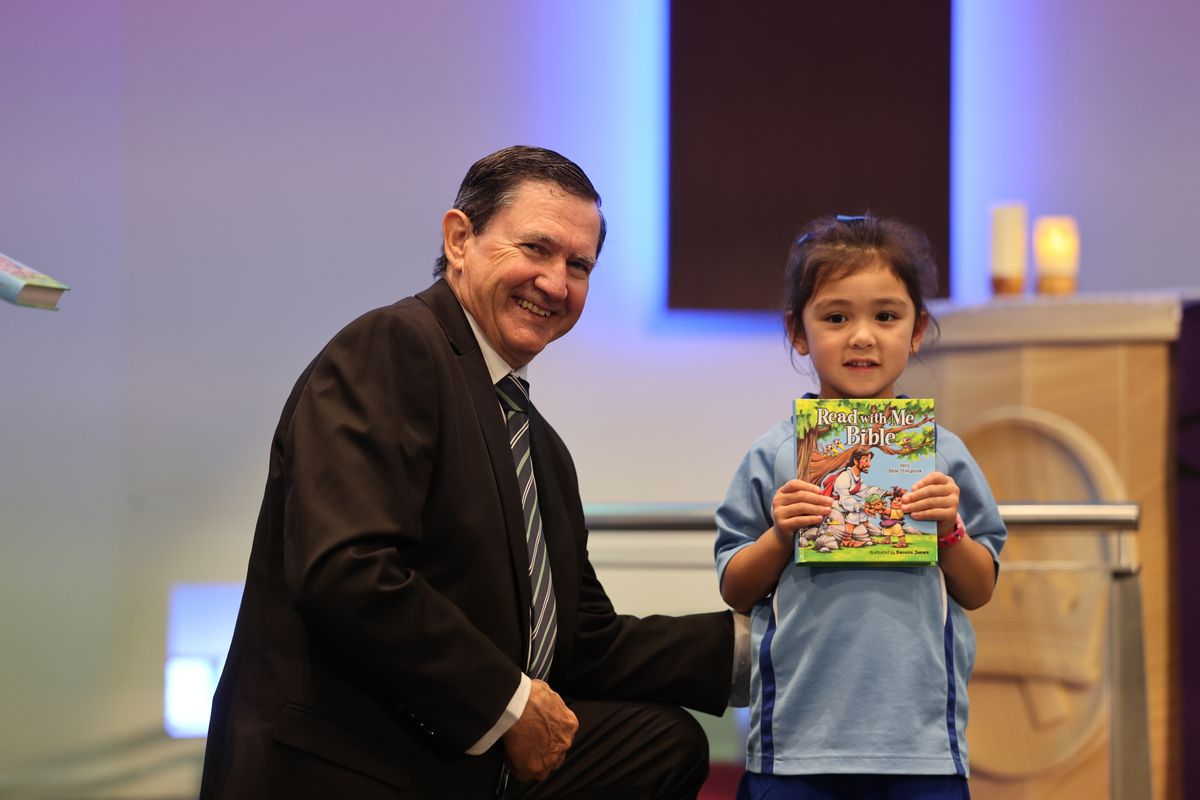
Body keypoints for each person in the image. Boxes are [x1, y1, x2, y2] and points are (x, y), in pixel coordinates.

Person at [201, 146, 745, 800]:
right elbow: (348, 572)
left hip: (456, 765)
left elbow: (582, 643)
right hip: (351, 766)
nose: (556, 283)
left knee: (660, 744)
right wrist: (508, 705)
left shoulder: (541, 448)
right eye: (536, 249)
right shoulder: (393, 346)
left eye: (578, 266)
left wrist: (765, 648)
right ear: (459, 239)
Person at [713, 214, 1006, 800]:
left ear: (917, 330)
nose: (862, 337)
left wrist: (948, 532)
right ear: (798, 332)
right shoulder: (775, 454)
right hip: (795, 743)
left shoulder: (943, 454)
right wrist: (778, 536)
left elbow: (979, 588)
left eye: (887, 316)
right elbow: (734, 588)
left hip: (921, 746)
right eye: (836, 317)